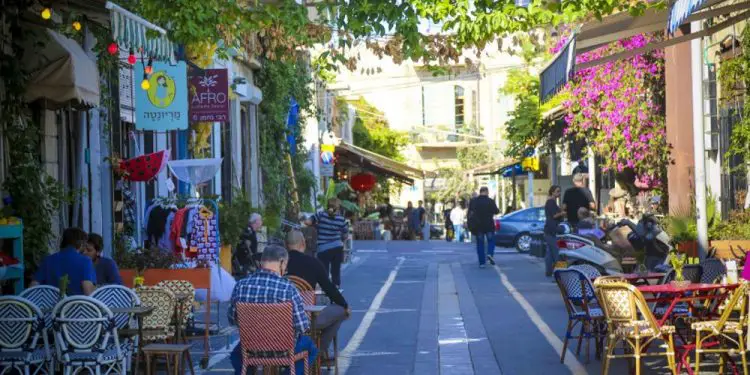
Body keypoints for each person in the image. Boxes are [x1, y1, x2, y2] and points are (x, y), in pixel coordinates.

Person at [228, 245, 316, 375]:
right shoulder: (289, 289)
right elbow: (302, 326)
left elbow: (232, 319)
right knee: (311, 348)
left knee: (236, 355)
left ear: (262, 261)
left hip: (251, 348)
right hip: (284, 349)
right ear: (282, 262)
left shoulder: (240, 286)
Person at [286, 231, 349, 355]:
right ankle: (318, 350)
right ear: (303, 243)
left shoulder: (280, 263)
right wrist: (345, 305)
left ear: (285, 244)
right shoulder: (313, 263)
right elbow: (329, 289)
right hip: (307, 318)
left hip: (280, 319)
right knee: (342, 311)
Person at [31, 227, 96, 296]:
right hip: (76, 306)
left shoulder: (48, 260)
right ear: (81, 244)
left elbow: (32, 288)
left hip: (51, 306)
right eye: (85, 244)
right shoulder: (85, 261)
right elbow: (88, 292)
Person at [316, 198, 348, 287]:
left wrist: (317, 226)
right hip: (337, 248)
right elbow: (345, 233)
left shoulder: (321, 215)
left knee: (324, 271)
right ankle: (336, 290)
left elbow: (308, 222)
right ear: (338, 208)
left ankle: (326, 290)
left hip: (323, 249)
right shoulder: (341, 219)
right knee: (336, 271)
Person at [468, 187, 500, 268]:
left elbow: (469, 213)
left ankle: (482, 263)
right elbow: (496, 211)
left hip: (478, 226)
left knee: (480, 244)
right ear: (486, 192)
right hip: (489, 225)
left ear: (480, 192)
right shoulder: (490, 201)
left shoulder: (474, 201)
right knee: (491, 241)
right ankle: (490, 253)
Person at [544, 186, 565, 277]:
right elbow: (554, 215)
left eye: (560, 191)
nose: (559, 193)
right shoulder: (551, 202)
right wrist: (562, 213)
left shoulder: (551, 202)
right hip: (552, 230)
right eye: (557, 191)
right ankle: (560, 272)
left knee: (549, 252)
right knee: (558, 253)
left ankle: (549, 271)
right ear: (552, 192)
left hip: (549, 230)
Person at [233, 213, 262, 279]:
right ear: (256, 221)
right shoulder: (248, 232)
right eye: (260, 220)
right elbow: (247, 249)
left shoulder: (250, 231)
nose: (261, 222)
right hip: (245, 263)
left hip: (247, 262)